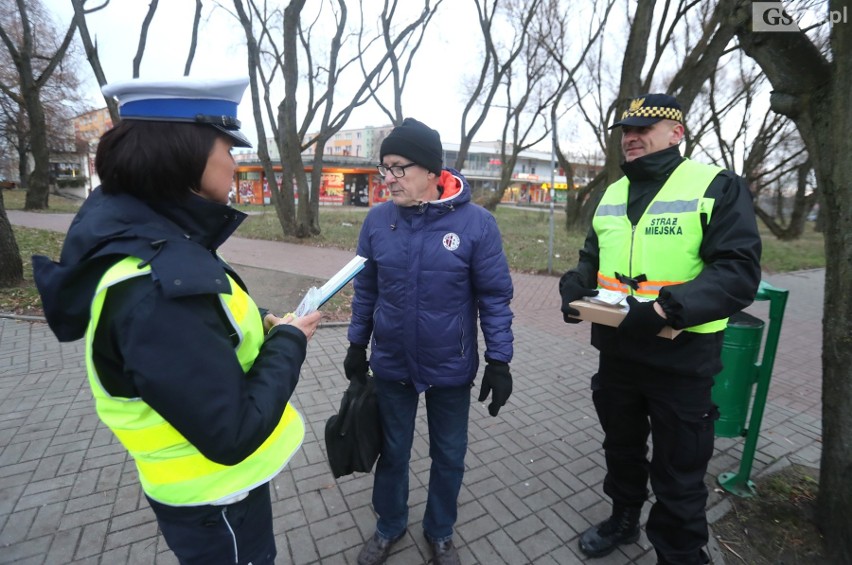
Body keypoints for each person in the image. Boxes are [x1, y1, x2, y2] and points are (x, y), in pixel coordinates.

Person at [32, 76, 322, 565]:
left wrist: (261, 329)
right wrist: (290, 341)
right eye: (226, 146)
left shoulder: (154, 240)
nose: (234, 162)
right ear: (184, 153)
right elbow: (232, 432)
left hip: (215, 498)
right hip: (217, 503)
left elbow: (206, 340)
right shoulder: (157, 287)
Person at [558, 93, 762, 565]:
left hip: (683, 359)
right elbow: (594, 257)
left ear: (677, 132)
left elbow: (736, 271)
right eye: (626, 130)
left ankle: (680, 553)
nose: (631, 136)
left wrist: (668, 310)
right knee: (622, 449)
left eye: (642, 128)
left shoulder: (716, 185)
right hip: (618, 354)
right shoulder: (611, 193)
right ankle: (624, 519)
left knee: (679, 471)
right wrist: (575, 284)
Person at [345, 118, 514, 565]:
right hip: (393, 361)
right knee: (393, 451)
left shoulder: (478, 225)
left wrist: (500, 359)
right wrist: (356, 344)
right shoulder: (379, 221)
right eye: (384, 169)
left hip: (450, 365)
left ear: (431, 171)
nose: (388, 180)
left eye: (398, 168)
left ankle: (439, 531)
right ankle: (389, 526)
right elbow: (366, 289)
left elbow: (495, 297)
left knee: (449, 455)